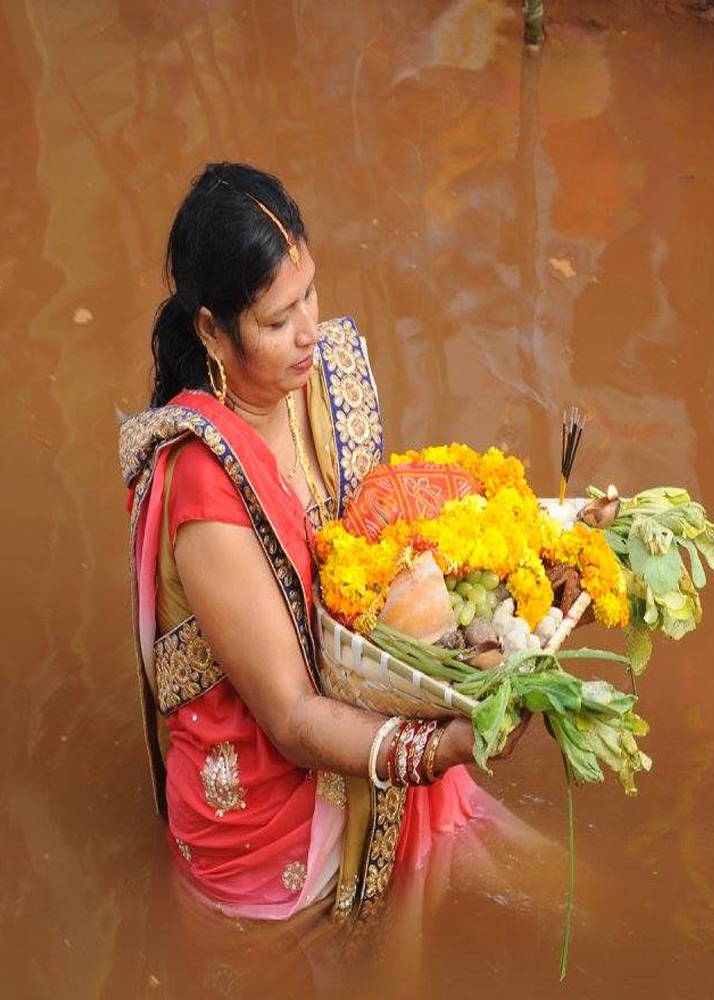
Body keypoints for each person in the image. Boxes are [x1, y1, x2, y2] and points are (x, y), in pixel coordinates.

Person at [119, 162, 532, 923]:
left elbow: (382, 556)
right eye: (277, 321)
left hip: (364, 722)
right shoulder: (204, 485)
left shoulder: (322, 378)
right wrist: (434, 749)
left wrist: (502, 613)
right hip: (263, 820)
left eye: (310, 293)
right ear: (211, 329)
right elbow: (292, 717)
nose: (310, 333)